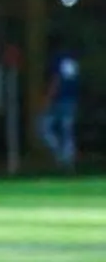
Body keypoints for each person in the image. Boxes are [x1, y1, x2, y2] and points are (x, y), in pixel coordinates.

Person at [40, 39, 79, 173]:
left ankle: (60, 156)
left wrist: (48, 98)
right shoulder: (73, 60)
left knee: (44, 128)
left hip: (58, 100)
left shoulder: (56, 58)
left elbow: (55, 80)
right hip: (70, 100)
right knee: (67, 132)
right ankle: (67, 160)